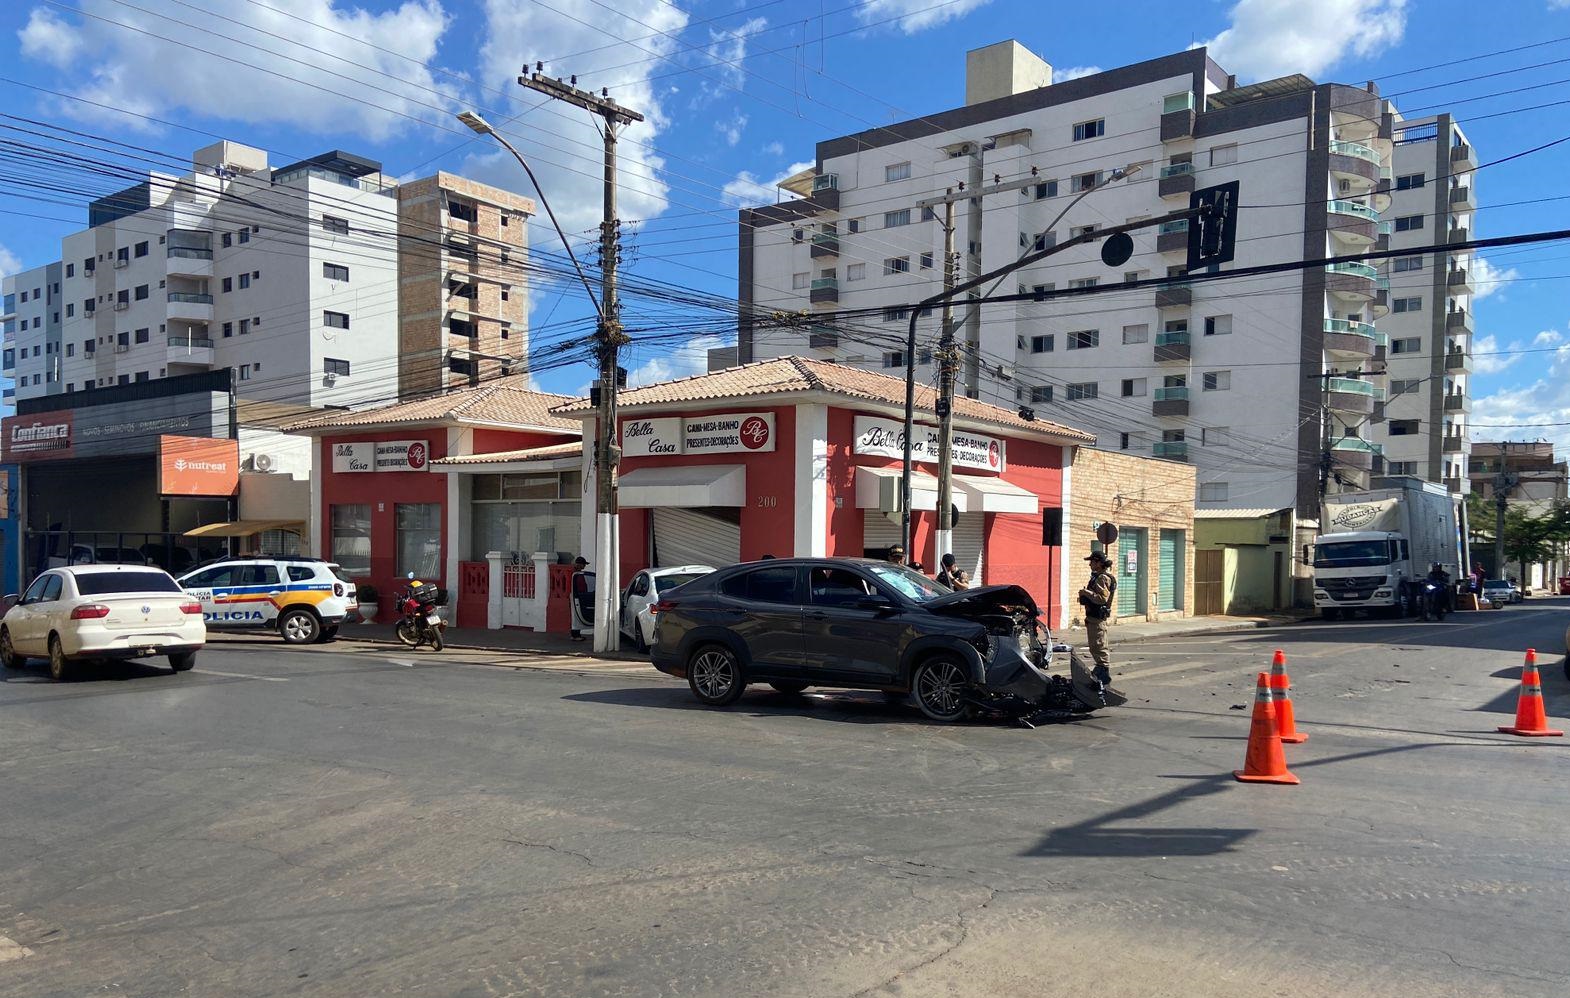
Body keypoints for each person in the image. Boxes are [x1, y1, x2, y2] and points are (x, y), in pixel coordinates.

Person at [1077, 551, 1116, 688]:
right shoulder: (1097, 577)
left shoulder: (1102, 578)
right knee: (1095, 646)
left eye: (1092, 562)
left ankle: (1103, 675)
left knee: (1099, 646)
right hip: (1093, 618)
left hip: (1098, 619)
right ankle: (1100, 672)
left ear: (1098, 563)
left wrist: (1086, 592)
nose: (1090, 564)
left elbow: (1102, 599)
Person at [570, 556, 591, 642]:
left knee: (576, 615)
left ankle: (575, 634)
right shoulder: (575, 574)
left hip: (579, 596)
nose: (584, 566)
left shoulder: (577, 573)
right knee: (576, 616)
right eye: (583, 564)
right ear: (579, 564)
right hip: (576, 596)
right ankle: (576, 635)